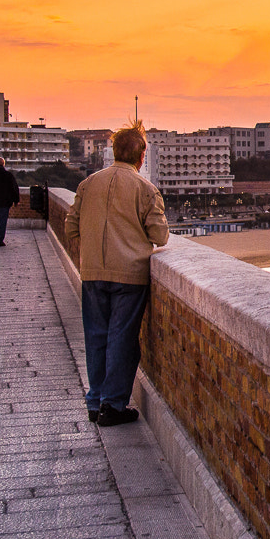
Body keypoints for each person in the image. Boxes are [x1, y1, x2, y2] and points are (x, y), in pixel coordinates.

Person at [64, 120, 168, 426]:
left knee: (96, 337)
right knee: (121, 339)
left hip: (93, 271)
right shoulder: (145, 189)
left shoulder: (87, 184)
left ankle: (95, 401)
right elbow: (160, 236)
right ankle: (113, 404)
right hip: (129, 276)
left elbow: (71, 227)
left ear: (113, 151)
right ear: (141, 156)